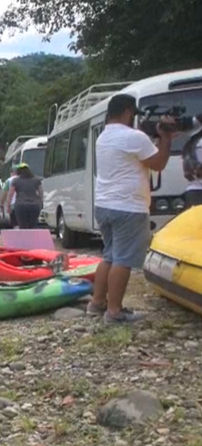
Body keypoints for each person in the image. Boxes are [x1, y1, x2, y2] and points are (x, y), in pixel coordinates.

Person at [88, 94, 175, 324]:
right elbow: (158, 163)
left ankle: (97, 303)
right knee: (123, 259)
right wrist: (166, 138)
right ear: (127, 112)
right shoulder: (134, 137)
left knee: (109, 255)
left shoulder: (103, 138)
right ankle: (114, 312)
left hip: (104, 204)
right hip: (128, 206)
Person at [4, 163, 44, 229]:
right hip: (34, 206)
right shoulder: (36, 180)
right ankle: (32, 239)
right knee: (33, 226)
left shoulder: (16, 181)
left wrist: (8, 206)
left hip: (20, 206)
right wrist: (41, 203)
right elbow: (41, 193)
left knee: (23, 226)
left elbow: (10, 194)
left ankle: (24, 238)